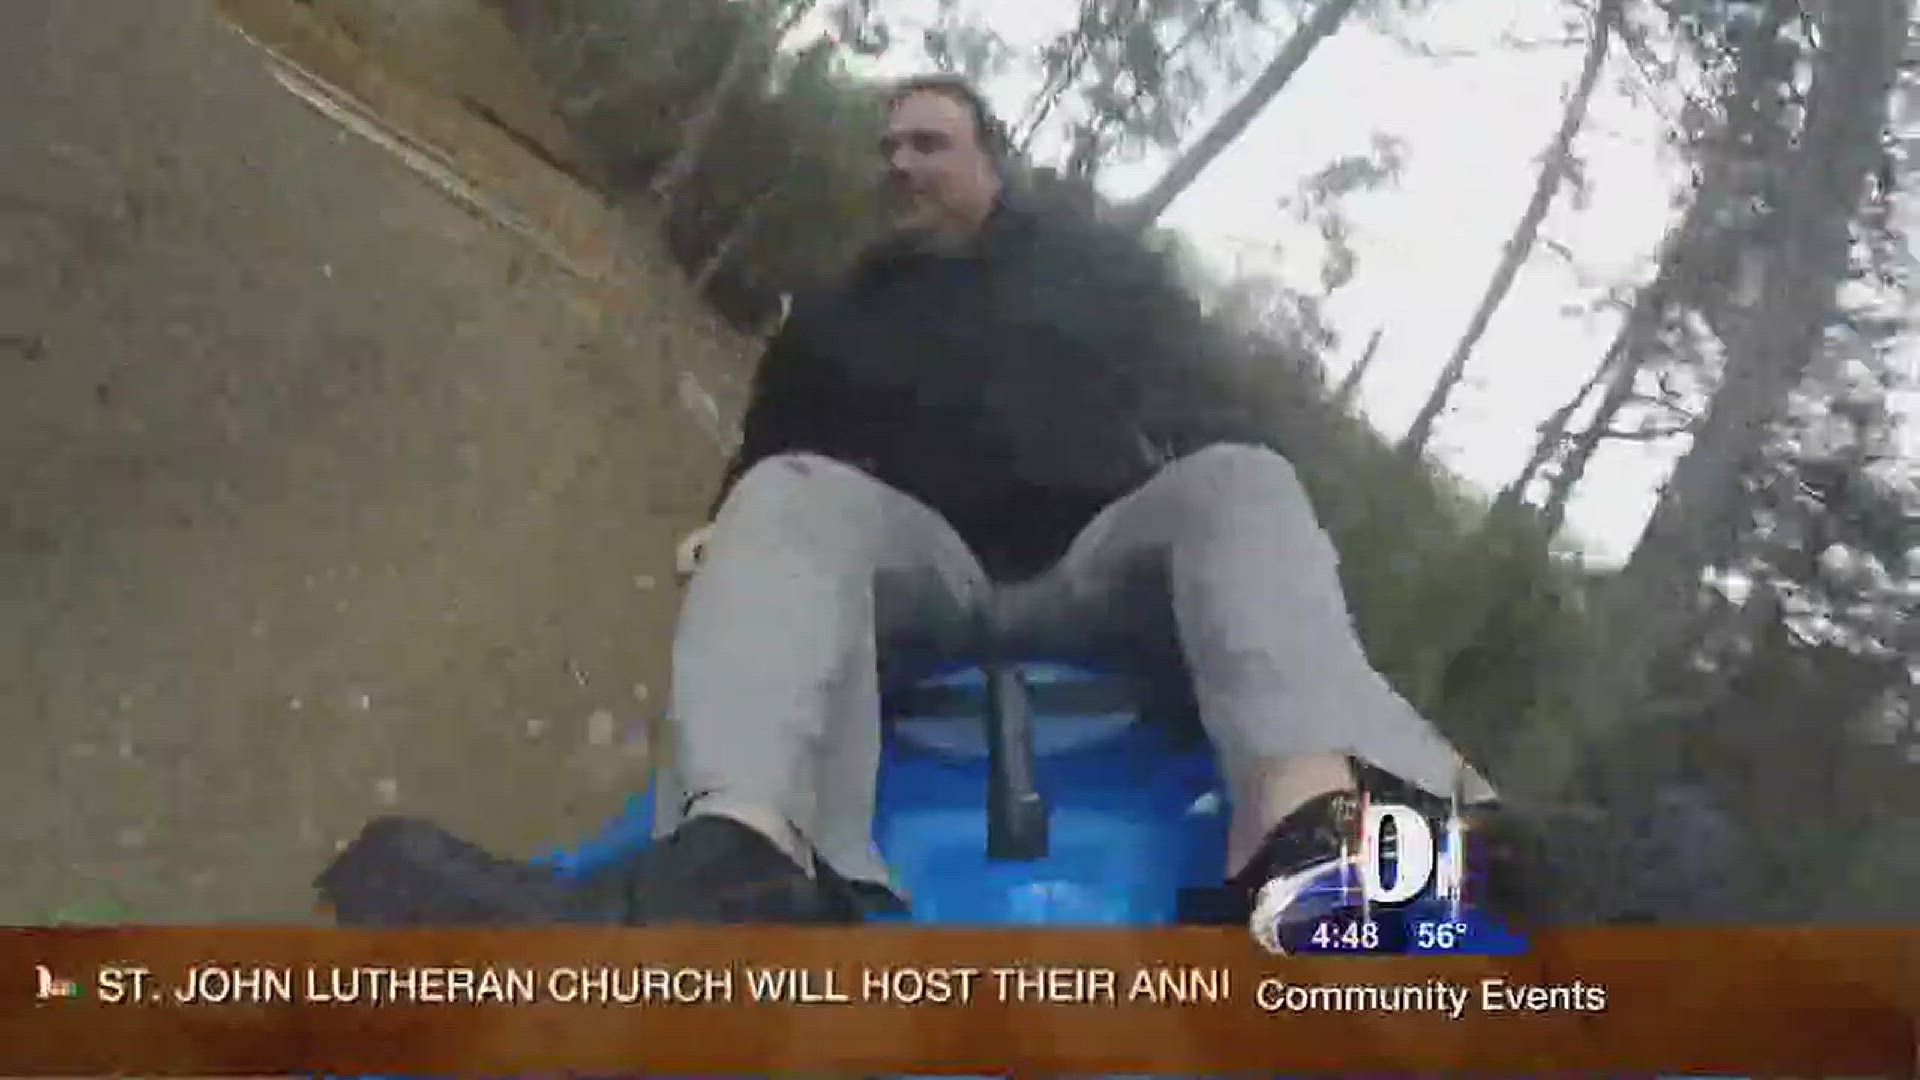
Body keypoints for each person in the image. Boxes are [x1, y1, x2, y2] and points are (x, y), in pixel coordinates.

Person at [317, 75, 1512, 930]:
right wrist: (729, 518)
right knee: (788, 494)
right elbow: (770, 456)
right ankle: (733, 864)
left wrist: (1217, 511)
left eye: (928, 144)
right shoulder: (842, 313)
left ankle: (1315, 841)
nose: (900, 164)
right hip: (923, 578)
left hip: (1100, 567)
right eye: (888, 149)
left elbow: (1217, 419)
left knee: (1248, 480)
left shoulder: (1100, 278)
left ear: (990, 158)